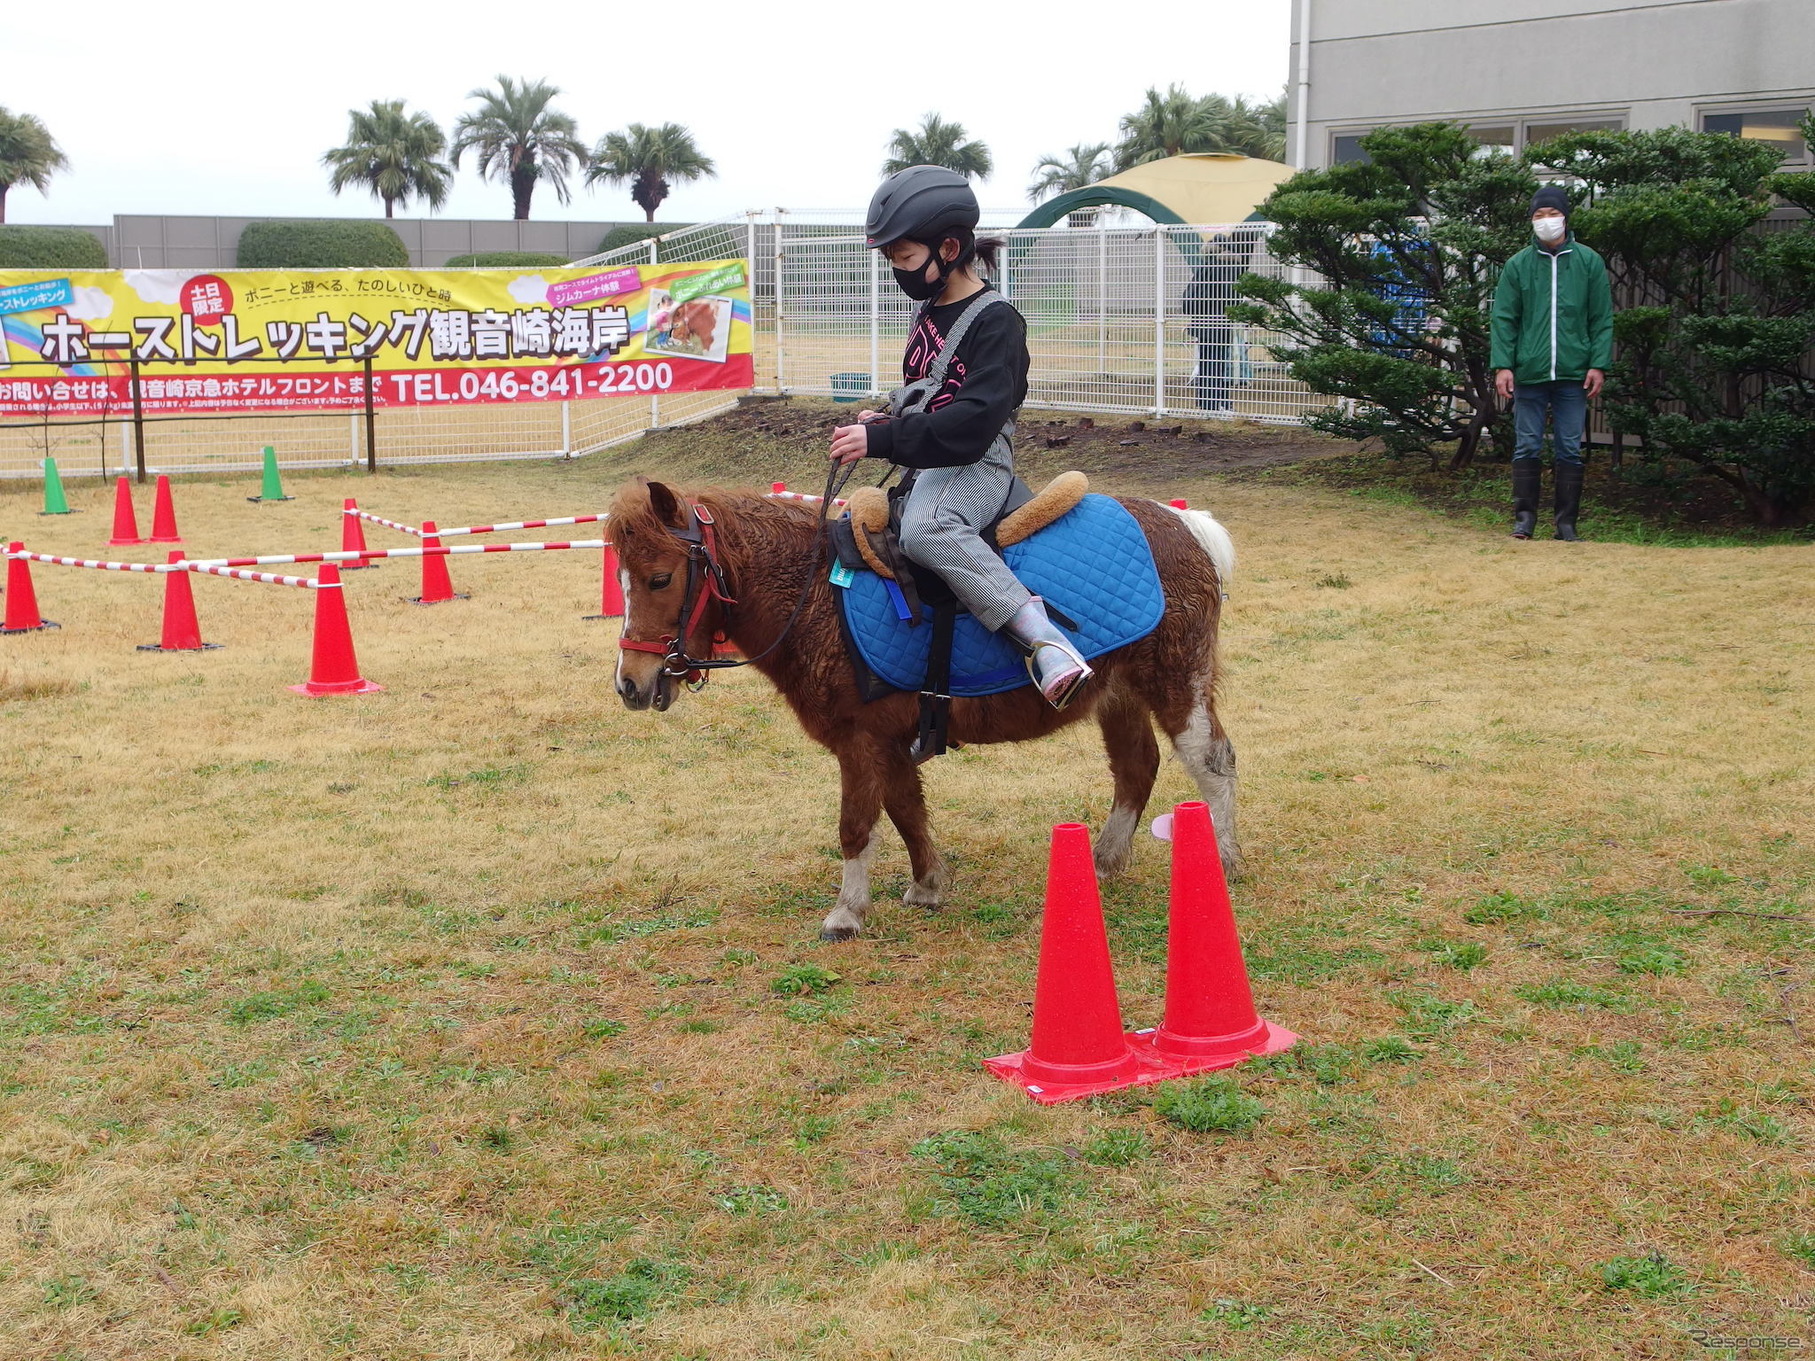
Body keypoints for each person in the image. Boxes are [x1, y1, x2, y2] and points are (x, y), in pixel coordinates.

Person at [829, 165, 1092, 710]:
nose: (897, 271)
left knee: (927, 530)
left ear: (948, 248)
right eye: (891, 261)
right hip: (930, 461)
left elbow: (971, 422)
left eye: (904, 259)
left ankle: (1045, 643)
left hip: (976, 463)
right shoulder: (928, 312)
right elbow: (926, 394)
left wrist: (883, 441)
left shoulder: (998, 323)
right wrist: (883, 420)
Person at [1490, 184, 1614, 541]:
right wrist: (1504, 364)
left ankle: (1566, 524)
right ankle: (1524, 520)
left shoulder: (1589, 262)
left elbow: (1601, 317)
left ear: (1565, 217)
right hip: (1529, 372)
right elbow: (1504, 318)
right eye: (1539, 216)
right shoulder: (1518, 264)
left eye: (1552, 214)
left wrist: (1598, 364)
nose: (1546, 221)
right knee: (1527, 444)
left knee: (1569, 447)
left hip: (1574, 373)